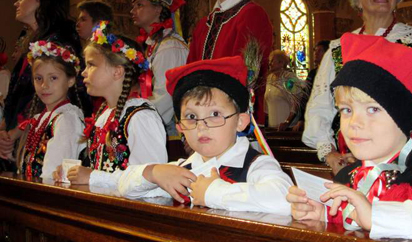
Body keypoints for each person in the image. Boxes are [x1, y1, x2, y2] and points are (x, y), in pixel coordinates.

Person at [288, 33, 412, 240]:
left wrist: (377, 217)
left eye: (373, 109)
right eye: (346, 110)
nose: (355, 122)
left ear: (405, 117)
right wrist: (322, 215)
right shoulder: (345, 177)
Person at [303, 0, 412, 174]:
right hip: (350, 157)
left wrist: (403, 154)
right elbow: (320, 105)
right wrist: (329, 154)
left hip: (404, 160)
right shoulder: (338, 49)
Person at [118, 56, 293, 215]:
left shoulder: (257, 166)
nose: (201, 125)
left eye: (215, 114)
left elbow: (285, 199)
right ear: (180, 127)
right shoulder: (181, 170)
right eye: (191, 117)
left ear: (240, 121)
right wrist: (153, 172)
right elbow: (123, 185)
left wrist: (212, 192)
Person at [55, 22, 167, 192]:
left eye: (91, 65)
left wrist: (92, 177)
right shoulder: (104, 114)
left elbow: (150, 181)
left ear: (117, 72)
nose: (83, 72)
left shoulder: (140, 117)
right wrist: (72, 174)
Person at [0, 0, 86, 170]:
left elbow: (47, 96)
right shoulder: (35, 40)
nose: (16, 2)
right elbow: (18, 95)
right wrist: (4, 130)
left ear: (42, 0)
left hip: (43, 132)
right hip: (20, 133)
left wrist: (13, 133)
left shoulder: (60, 40)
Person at [188, 0, 273, 124]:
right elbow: (189, 76)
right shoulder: (204, 25)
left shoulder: (252, 15)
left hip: (237, 126)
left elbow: (244, 76)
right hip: (201, 125)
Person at [131, 0, 188, 140]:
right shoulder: (153, 45)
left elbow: (165, 98)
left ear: (157, 9)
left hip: (168, 135)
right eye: (133, 6)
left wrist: (136, 122)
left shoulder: (170, 46)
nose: (132, 11)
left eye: (139, 5)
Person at [17, 41, 85, 179]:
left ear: (71, 80)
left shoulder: (67, 119)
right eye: (38, 78)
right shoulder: (40, 119)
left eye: (53, 78)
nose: (44, 85)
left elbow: (54, 172)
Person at [292, 40, 330, 132]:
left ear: (327, 53)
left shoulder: (332, 73)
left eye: (320, 51)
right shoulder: (312, 74)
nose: (316, 53)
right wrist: (301, 119)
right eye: (315, 50)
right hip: (312, 118)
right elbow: (305, 96)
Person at [265, 50, 298, 130]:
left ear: (281, 63)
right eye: (270, 61)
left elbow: (295, 103)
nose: (270, 63)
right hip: (272, 127)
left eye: (272, 61)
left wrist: (287, 122)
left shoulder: (289, 78)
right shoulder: (270, 78)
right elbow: (267, 101)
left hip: (287, 127)